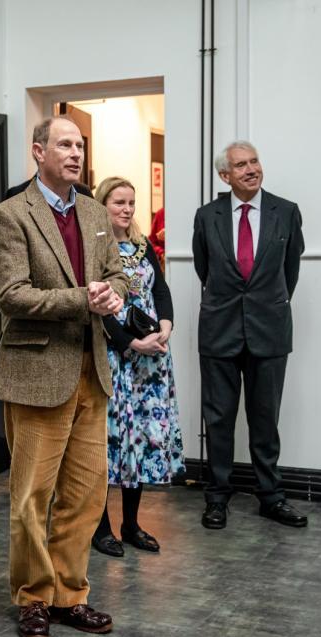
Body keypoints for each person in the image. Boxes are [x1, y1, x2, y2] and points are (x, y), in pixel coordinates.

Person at [0, 117, 129, 637]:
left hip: (93, 372)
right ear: (38, 151)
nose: (75, 153)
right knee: (31, 498)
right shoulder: (10, 215)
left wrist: (114, 294)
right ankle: (33, 597)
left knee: (86, 497)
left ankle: (71, 595)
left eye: (80, 145)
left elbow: (116, 274)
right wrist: (84, 300)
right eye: (65, 145)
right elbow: (12, 295)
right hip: (37, 375)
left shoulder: (94, 212)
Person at [192, 140, 306, 530]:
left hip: (269, 332)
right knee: (219, 418)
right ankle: (217, 498)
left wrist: (265, 305)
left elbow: (289, 273)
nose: (250, 169)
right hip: (219, 330)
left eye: (254, 161)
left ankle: (271, 497)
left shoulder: (286, 212)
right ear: (225, 175)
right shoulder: (206, 216)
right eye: (240, 165)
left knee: (264, 419)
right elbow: (204, 270)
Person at [90, 177, 184, 557]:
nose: (127, 210)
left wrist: (165, 327)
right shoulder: (95, 249)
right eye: (119, 203)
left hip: (150, 363)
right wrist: (130, 342)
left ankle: (131, 524)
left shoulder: (143, 247)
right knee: (110, 444)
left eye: (132, 203)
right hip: (116, 358)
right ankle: (100, 529)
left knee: (141, 443)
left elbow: (160, 290)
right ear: (102, 205)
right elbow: (98, 308)